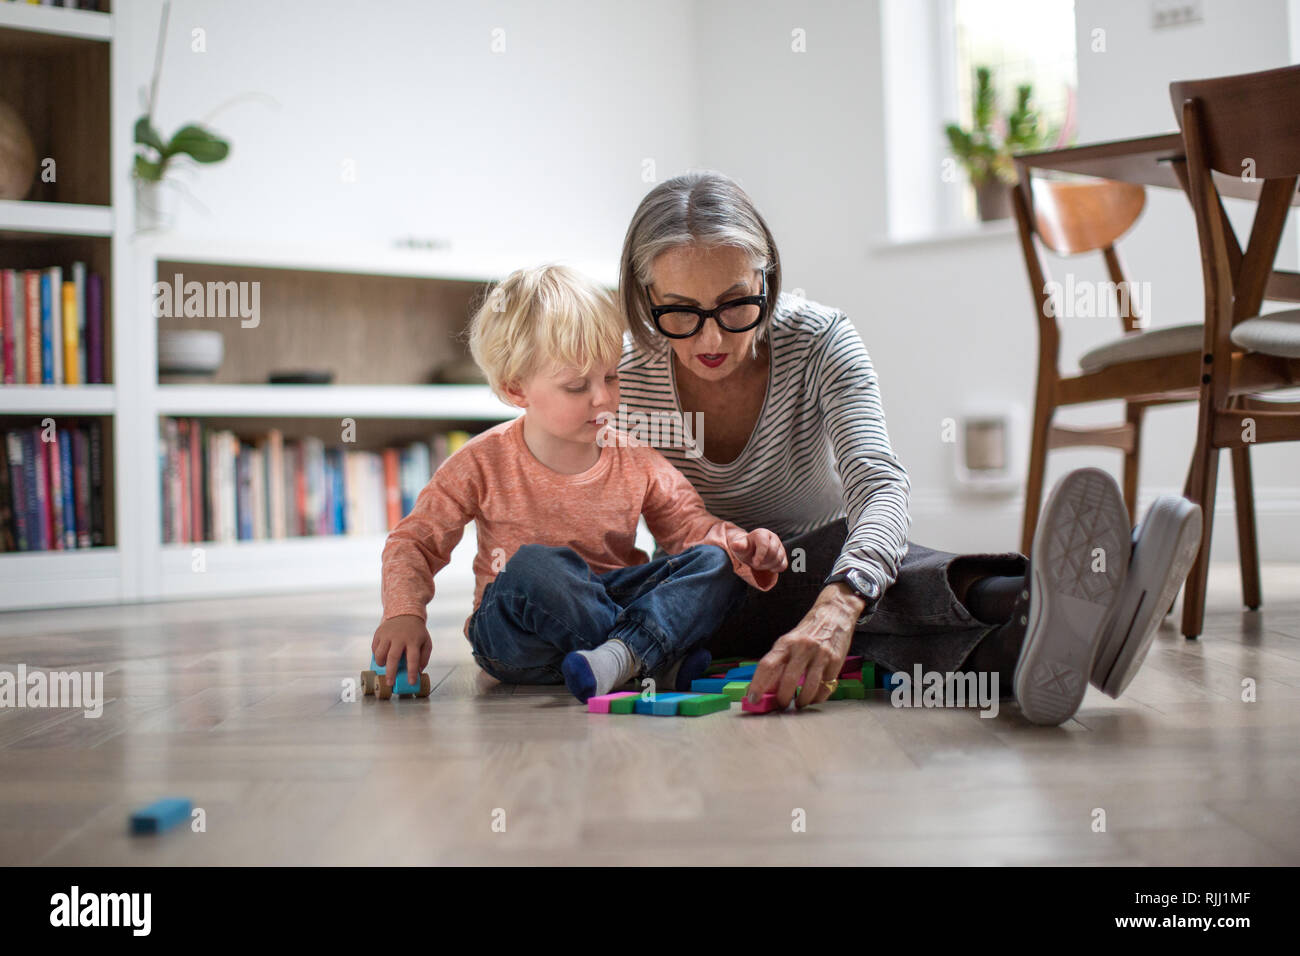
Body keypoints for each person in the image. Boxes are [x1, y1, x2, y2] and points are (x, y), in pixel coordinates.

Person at [616, 170, 1204, 725]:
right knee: (834, 563)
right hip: (706, 599)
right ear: (646, 298)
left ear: (766, 279)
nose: (713, 337)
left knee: (860, 567)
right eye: (680, 313)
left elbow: (880, 485)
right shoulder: (622, 376)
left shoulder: (819, 341)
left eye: (735, 303)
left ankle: (1033, 636)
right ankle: (1071, 601)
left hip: (837, 577)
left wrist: (840, 603)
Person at [372, 263, 788, 704]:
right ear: (517, 390)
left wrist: (742, 545)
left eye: (610, 376)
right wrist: (404, 614)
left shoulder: (636, 459)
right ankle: (645, 655)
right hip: (521, 637)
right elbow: (414, 541)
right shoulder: (481, 460)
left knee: (717, 563)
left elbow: (690, 527)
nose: (603, 397)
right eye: (576, 386)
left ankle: (621, 658)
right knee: (534, 566)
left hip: (614, 609)